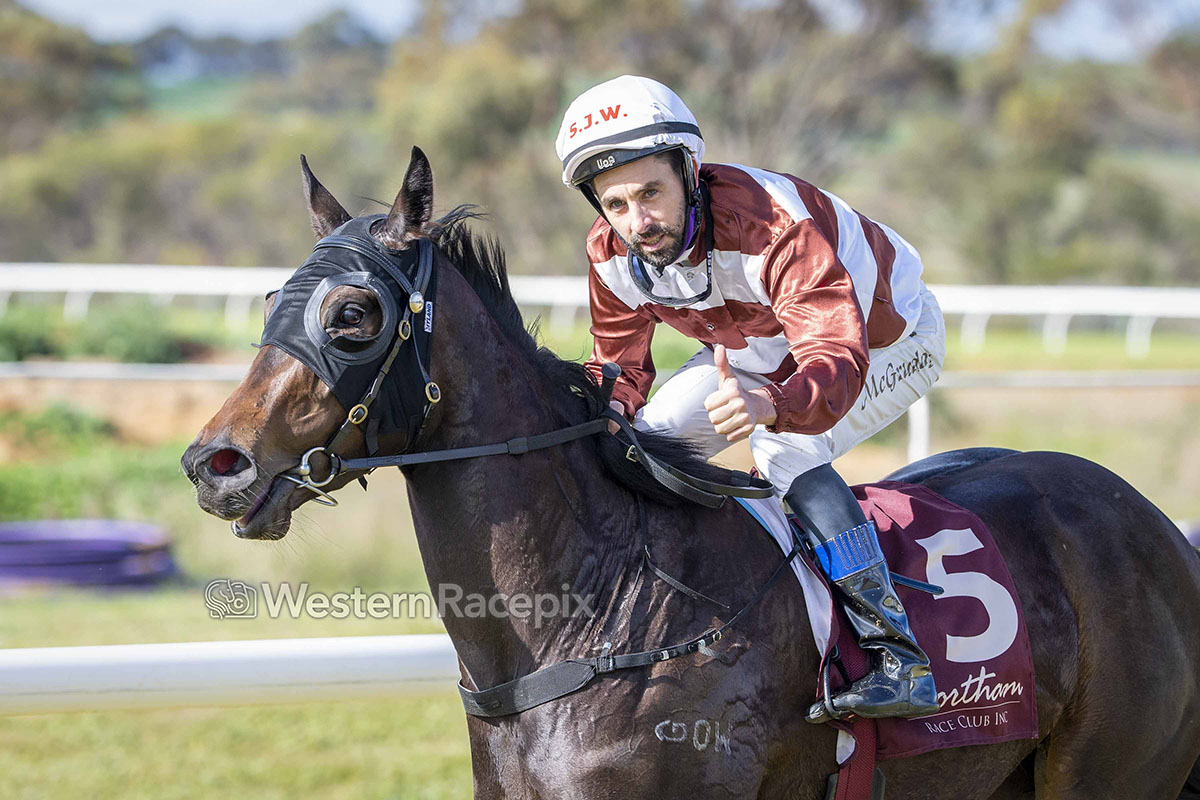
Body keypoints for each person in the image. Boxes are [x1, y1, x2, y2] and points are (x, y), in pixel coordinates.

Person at [555, 75, 946, 723]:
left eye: (651, 192)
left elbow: (835, 360)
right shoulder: (609, 253)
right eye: (615, 204)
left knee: (783, 450)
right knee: (652, 438)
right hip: (761, 343)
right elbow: (619, 370)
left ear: (690, 168)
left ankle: (897, 655)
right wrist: (594, 427)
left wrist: (774, 407)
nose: (637, 222)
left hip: (884, 337)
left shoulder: (773, 226)